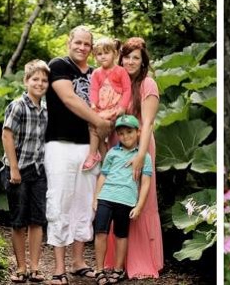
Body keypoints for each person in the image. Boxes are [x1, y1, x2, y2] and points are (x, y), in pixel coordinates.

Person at [44, 25, 111, 285]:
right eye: (78, 42)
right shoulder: (59, 65)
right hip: (60, 145)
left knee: (84, 204)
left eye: (87, 44)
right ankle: (59, 268)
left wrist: (105, 130)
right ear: (69, 42)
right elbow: (69, 98)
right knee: (60, 203)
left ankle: (79, 262)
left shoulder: (96, 73)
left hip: (88, 147)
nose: (82, 47)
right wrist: (100, 121)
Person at [102, 37, 164, 279]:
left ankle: (142, 260)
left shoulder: (148, 84)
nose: (130, 61)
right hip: (117, 147)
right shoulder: (117, 83)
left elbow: (147, 123)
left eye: (135, 57)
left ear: (143, 61)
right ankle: (117, 261)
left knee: (140, 200)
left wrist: (140, 156)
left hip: (141, 146)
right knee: (117, 196)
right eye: (127, 56)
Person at [1, 60, 50, 284]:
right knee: (19, 221)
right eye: (35, 79)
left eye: (44, 80)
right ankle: (21, 267)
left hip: (38, 171)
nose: (40, 83)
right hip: (17, 170)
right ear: (26, 81)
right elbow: (7, 135)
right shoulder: (18, 105)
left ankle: (35, 267)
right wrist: (13, 167)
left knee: (37, 220)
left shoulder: (46, 109)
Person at [91, 115, 152, 285]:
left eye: (129, 132)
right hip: (106, 196)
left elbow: (146, 183)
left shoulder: (144, 157)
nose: (126, 136)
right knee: (100, 232)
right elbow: (103, 176)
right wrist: (96, 197)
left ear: (138, 132)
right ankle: (99, 270)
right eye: (121, 133)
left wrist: (139, 206)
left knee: (121, 235)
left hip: (126, 200)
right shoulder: (112, 153)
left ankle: (118, 269)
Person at [83, 38, 132, 171]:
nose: (103, 56)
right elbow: (93, 90)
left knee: (101, 130)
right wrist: (93, 103)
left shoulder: (121, 71)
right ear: (95, 57)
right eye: (99, 54)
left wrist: (122, 106)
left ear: (115, 54)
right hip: (101, 108)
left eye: (106, 53)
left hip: (115, 108)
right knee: (94, 127)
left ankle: (94, 155)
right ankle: (102, 160)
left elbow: (127, 90)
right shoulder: (96, 73)